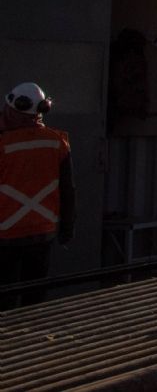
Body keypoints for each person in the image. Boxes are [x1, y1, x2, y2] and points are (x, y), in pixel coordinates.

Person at [1, 81, 75, 308]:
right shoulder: (57, 143)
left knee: (5, 304)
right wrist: (67, 229)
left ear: (12, 110)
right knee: (34, 303)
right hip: (42, 234)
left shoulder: (3, 144)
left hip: (6, 236)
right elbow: (68, 190)